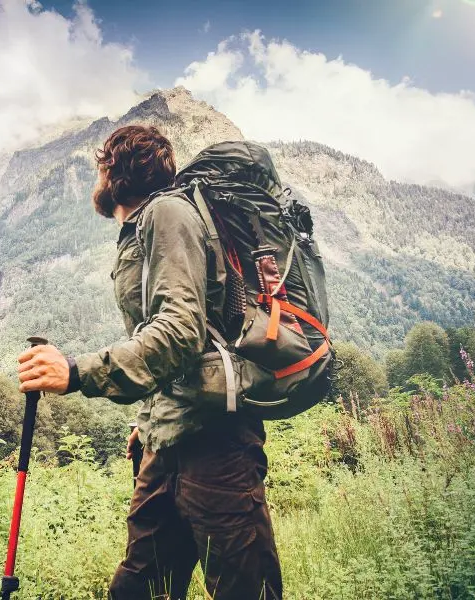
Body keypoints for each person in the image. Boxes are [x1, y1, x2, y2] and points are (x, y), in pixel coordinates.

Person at [17, 125, 282, 600]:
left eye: (100, 168)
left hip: (218, 444)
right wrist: (150, 418)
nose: (96, 180)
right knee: (140, 586)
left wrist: (77, 372)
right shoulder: (143, 227)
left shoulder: (167, 212)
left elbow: (181, 330)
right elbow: (171, 335)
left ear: (116, 172)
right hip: (168, 440)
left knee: (244, 590)